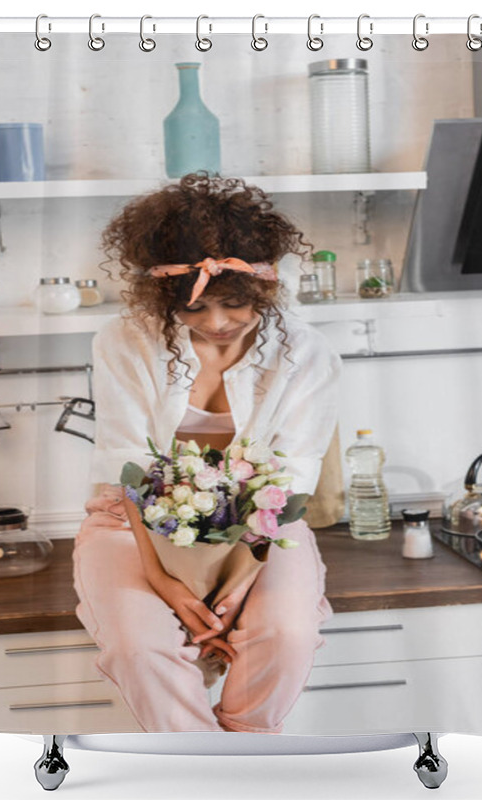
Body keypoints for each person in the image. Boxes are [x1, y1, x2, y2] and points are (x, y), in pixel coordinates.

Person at [72, 173, 340, 734]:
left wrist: (243, 578)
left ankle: (242, 757)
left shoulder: (306, 354)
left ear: (264, 287)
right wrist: (164, 579)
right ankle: (198, 770)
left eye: (234, 304)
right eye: (196, 309)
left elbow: (288, 482)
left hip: (262, 525)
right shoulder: (123, 342)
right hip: (132, 523)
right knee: (139, 648)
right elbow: (129, 467)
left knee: (284, 635)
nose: (217, 324)